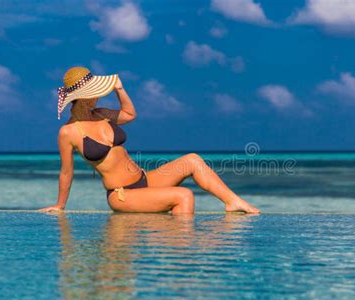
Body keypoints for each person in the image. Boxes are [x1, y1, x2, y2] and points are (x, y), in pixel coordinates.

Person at [41, 67, 260, 214]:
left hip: (145, 179)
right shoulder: (68, 132)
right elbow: (66, 172)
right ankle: (182, 250)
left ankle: (232, 201)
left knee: (192, 160)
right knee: (183, 195)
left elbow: (129, 115)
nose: (97, 96)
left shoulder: (101, 113)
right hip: (122, 195)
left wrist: (119, 89)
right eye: (93, 93)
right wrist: (60, 206)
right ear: (81, 97)